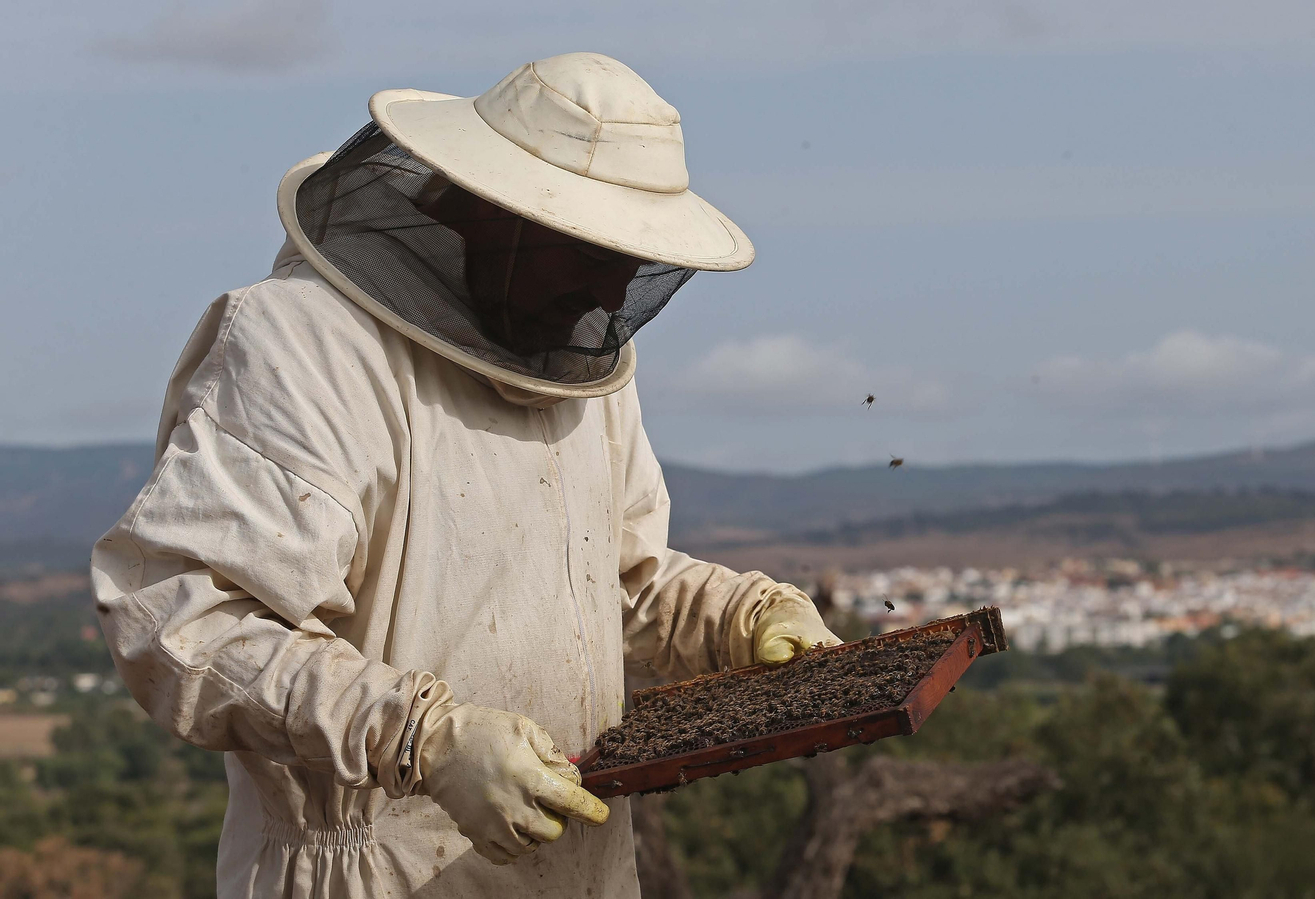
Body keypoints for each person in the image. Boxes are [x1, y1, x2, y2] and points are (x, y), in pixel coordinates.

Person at [89, 52, 841, 899]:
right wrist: (424, 737)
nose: (612, 285)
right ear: (473, 210)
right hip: (367, 874)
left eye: (626, 256)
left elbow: (611, 589)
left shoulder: (575, 368)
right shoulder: (303, 348)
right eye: (584, 248)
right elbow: (185, 621)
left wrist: (740, 617)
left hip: (583, 869)